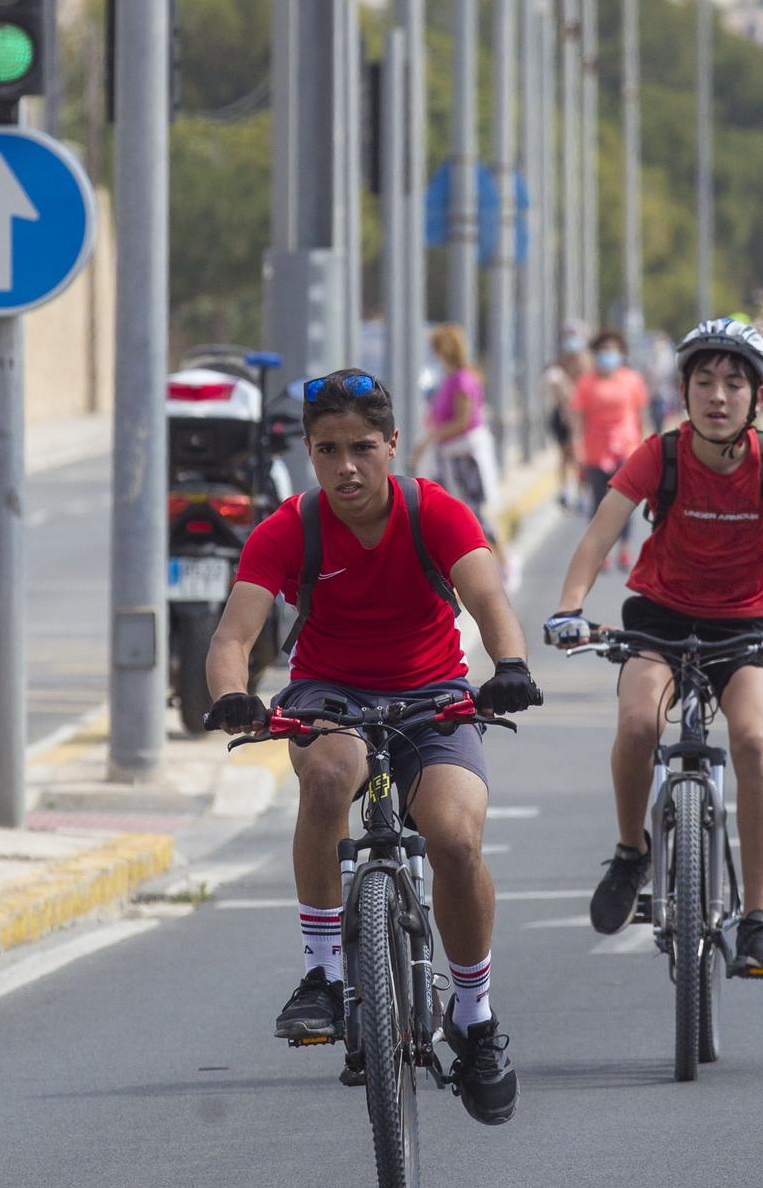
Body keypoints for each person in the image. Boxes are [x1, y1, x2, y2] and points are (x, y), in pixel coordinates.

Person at [203, 369, 542, 1126]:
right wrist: (231, 693)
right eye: (327, 450)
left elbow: (489, 600)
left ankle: (476, 1017)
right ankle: (322, 975)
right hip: (328, 694)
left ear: (393, 445)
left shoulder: (436, 512)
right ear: (309, 453)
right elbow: (234, 634)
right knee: (329, 775)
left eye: (362, 447)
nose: (346, 466)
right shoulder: (289, 527)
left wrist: (510, 666)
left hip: (434, 700)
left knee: (455, 838)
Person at [545, 320, 763, 978]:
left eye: (734, 384)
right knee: (638, 720)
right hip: (660, 618)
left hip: (747, 625)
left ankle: (756, 920)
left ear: (756, 396)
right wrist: (569, 607)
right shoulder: (662, 455)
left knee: (755, 741)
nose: (717, 396)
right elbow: (597, 538)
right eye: (703, 382)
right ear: (683, 390)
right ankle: (630, 852)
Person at [414, 323, 513, 587]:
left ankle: (503, 564)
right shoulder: (450, 378)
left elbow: (463, 420)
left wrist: (428, 440)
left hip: (465, 457)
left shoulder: (463, 380)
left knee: (473, 513)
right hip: (451, 456)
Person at [572, 329, 651, 573]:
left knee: (624, 504)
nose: (608, 355)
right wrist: (578, 452)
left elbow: (641, 416)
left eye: (612, 350)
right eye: (603, 350)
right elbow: (577, 419)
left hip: (626, 450)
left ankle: (624, 549)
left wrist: (645, 449)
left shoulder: (632, 380)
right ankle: (600, 551)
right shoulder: (586, 383)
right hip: (596, 452)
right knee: (598, 504)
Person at [544, 322, 587, 510]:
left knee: (577, 454)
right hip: (562, 415)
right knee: (564, 453)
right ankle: (564, 491)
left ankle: (580, 492)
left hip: (580, 415)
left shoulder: (586, 362)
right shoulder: (558, 363)